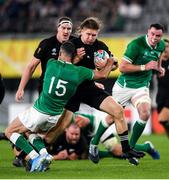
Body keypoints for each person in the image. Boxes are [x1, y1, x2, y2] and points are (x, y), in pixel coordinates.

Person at [5, 41, 114, 172]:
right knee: (30, 132)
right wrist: (110, 61)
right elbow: (103, 75)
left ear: (61, 53)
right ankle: (44, 154)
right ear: (74, 55)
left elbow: (47, 66)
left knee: (10, 131)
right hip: (55, 116)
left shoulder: (51, 63)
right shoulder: (79, 72)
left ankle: (34, 157)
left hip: (40, 111)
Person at [54, 17, 144, 165]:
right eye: (88, 34)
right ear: (81, 31)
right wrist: (76, 59)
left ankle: (127, 150)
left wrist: (108, 64)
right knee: (59, 128)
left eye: (94, 35)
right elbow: (61, 68)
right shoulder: (71, 44)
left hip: (90, 88)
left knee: (118, 111)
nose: (91, 38)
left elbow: (114, 64)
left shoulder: (100, 46)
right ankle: (33, 151)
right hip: (71, 90)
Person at [108, 23, 165, 159]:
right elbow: (122, 67)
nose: (155, 38)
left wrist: (159, 67)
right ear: (148, 32)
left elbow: (159, 56)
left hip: (141, 86)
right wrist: (144, 67)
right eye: (153, 34)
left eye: (158, 36)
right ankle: (94, 142)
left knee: (145, 113)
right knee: (110, 119)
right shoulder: (135, 44)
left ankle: (130, 149)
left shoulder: (161, 45)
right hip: (124, 86)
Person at [156, 39, 169, 138]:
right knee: (164, 123)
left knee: (162, 119)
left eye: (168, 47)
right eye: (164, 47)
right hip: (160, 96)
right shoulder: (157, 62)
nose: (165, 49)